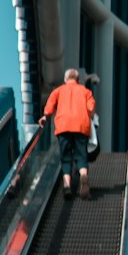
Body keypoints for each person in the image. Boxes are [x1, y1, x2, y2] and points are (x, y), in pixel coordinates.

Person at [38, 68, 96, 199]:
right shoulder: (86, 91)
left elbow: (49, 108)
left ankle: (67, 186)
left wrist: (45, 117)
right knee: (81, 155)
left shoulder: (58, 91)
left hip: (63, 126)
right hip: (81, 126)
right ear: (78, 80)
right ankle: (83, 175)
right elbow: (91, 108)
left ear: (65, 80)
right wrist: (90, 117)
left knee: (66, 158)